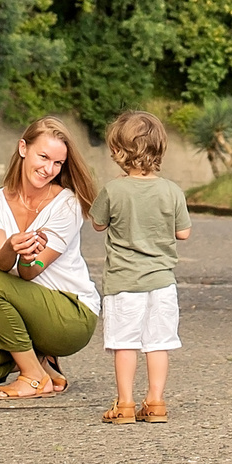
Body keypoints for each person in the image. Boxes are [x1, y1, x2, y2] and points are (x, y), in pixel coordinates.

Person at [0, 116, 99, 398]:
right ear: (23, 148)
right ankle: (39, 360)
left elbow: (31, 271)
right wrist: (12, 247)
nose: (49, 169)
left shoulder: (68, 204)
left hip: (69, 314)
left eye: (58, 163)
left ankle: (33, 377)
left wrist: (28, 258)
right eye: (44, 157)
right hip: (21, 310)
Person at [92, 109, 191, 425]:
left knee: (125, 344)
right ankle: (156, 402)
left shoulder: (113, 189)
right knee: (158, 344)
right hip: (162, 284)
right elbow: (183, 232)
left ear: (119, 152)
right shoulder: (172, 191)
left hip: (124, 284)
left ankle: (125, 404)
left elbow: (97, 224)